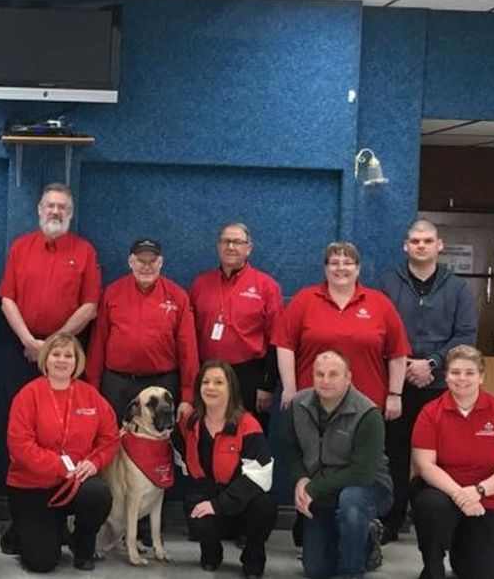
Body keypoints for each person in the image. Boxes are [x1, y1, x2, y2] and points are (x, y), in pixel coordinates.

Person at [378, 219, 478, 542]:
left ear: (439, 245)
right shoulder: (386, 283)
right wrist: (405, 364)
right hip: (394, 385)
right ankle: (389, 523)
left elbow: (466, 335)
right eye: (415, 241)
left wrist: (431, 364)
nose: (421, 245)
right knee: (392, 455)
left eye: (427, 240)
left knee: (439, 457)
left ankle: (436, 526)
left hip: (438, 388)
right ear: (405, 245)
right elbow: (378, 330)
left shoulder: (458, 288)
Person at [4, 334, 118, 573]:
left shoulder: (91, 396)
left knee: (98, 494)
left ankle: (83, 546)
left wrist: (95, 463)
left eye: (69, 356)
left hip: (75, 483)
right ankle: (18, 529)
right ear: (46, 359)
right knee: (42, 563)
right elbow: (20, 446)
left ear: (77, 362)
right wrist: (61, 467)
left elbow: (109, 439)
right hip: (32, 486)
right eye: (56, 354)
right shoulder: (28, 395)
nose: (62, 360)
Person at [410, 345, 494, 579]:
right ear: (445, 376)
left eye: (470, 372)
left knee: (483, 573)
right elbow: (425, 465)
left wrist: (478, 491)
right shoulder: (431, 412)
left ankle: (463, 553)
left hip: (487, 498)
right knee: (431, 505)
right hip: (442, 493)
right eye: (455, 372)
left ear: (481, 376)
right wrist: (460, 495)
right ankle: (433, 566)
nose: (461, 378)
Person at [276, 350, 392, 579]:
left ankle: (353, 570)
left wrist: (313, 488)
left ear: (348, 377)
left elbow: (362, 472)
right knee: (316, 570)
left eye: (333, 374)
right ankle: (363, 537)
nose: (325, 381)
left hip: (368, 486)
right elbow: (287, 447)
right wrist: (301, 478)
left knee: (351, 503)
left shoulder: (368, 414)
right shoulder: (298, 404)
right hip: (321, 486)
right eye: (319, 374)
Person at [275, 241, 409, 418]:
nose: (340, 268)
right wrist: (290, 388)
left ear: (358, 269)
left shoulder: (380, 303)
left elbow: (397, 353)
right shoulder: (304, 300)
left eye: (347, 263)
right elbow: (285, 345)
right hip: (311, 403)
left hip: (367, 404)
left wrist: (395, 394)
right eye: (334, 263)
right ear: (325, 269)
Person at [175, 360, 276, 578]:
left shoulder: (248, 425)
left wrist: (218, 505)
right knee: (197, 515)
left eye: (219, 382)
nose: (211, 387)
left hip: (242, 502)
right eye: (206, 382)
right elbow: (178, 452)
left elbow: (260, 476)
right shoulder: (191, 423)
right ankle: (212, 554)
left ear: (231, 388)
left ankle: (253, 558)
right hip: (207, 495)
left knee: (264, 508)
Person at [85, 238, 198, 422]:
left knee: (160, 445)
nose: (147, 267)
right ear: (130, 262)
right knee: (114, 439)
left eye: (152, 261)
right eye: (141, 261)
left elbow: (188, 349)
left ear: (160, 262)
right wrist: (92, 386)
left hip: (162, 384)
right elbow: (98, 342)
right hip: (117, 384)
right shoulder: (112, 293)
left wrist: (188, 396)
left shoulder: (178, 296)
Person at [0, 183, 101, 378]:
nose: (55, 211)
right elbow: (6, 300)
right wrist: (29, 342)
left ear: (70, 213)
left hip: (67, 349)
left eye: (62, 207)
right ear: (40, 209)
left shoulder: (85, 251)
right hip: (23, 347)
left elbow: (89, 306)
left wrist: (53, 344)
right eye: (50, 206)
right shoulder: (20, 247)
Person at [188, 222, 284, 424]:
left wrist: (268, 386)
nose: (231, 247)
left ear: (248, 248)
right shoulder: (200, 283)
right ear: (218, 246)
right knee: (208, 431)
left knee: (247, 435)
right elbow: (188, 335)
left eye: (237, 242)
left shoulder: (266, 286)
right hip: (208, 375)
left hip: (249, 375)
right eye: (226, 241)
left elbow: (277, 338)